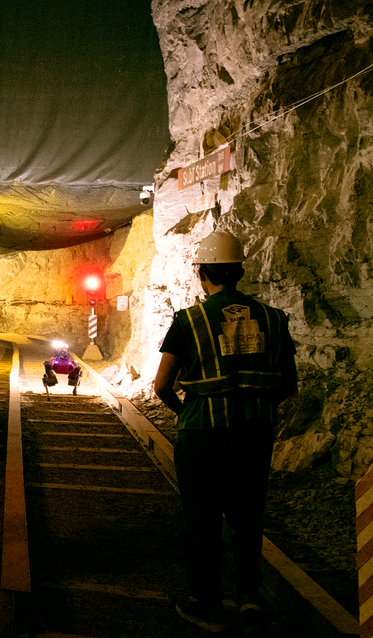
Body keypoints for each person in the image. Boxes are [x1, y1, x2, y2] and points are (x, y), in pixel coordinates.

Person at [154, 230, 298, 632]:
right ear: (241, 271)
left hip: (202, 434)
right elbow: (288, 383)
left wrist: (186, 412)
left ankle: (207, 602)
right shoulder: (273, 318)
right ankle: (249, 597)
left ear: (202, 273)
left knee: (202, 520)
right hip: (254, 433)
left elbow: (162, 385)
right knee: (247, 517)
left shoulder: (189, 320)